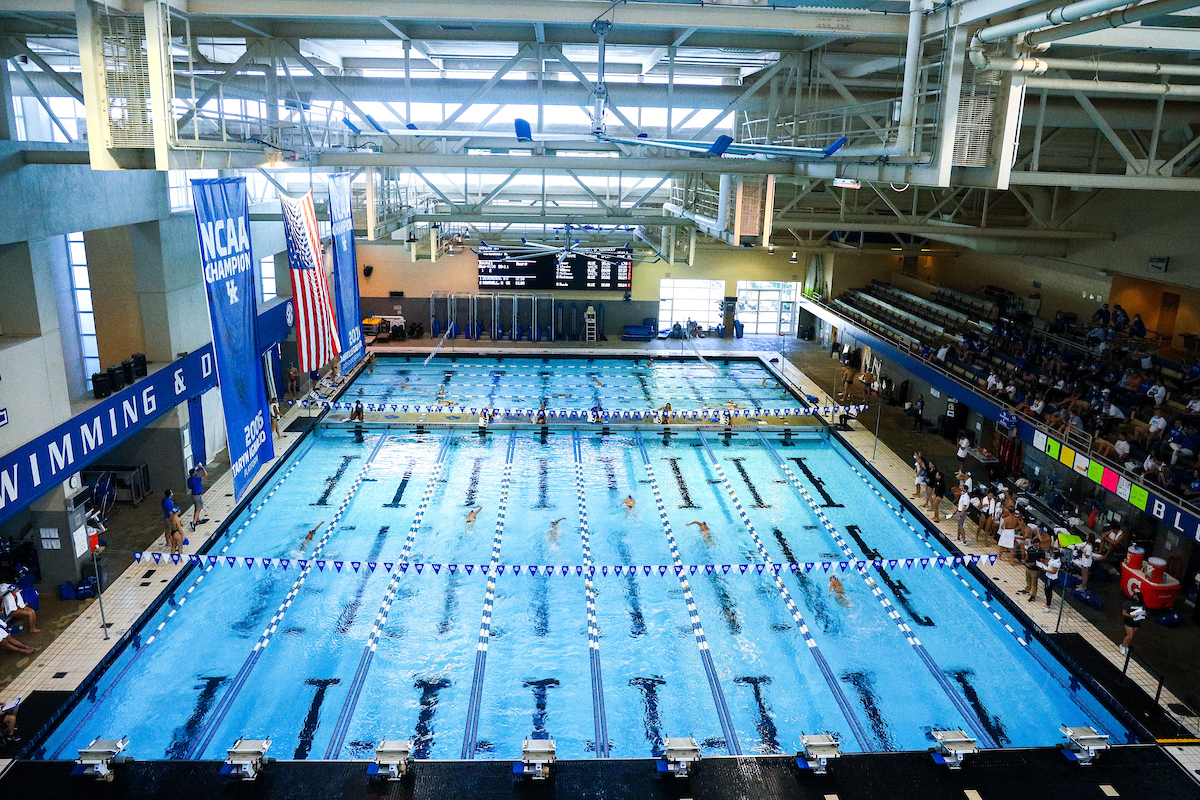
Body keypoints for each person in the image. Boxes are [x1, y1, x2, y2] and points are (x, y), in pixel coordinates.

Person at [1120, 590, 1146, 655]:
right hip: (1129, 621)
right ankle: (1122, 646)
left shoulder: (1142, 603)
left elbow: (1145, 611)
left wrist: (1144, 614)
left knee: (1131, 636)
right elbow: (1123, 612)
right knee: (1129, 635)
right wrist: (1130, 615)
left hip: (1137, 621)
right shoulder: (1128, 603)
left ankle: (1126, 645)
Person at [187, 464, 208, 531]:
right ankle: (194, 522)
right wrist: (202, 467)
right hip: (198, 496)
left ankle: (197, 519)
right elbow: (205, 475)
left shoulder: (189, 480)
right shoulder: (197, 479)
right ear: (194, 473)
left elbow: (189, 487)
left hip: (193, 495)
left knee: (196, 508)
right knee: (198, 509)